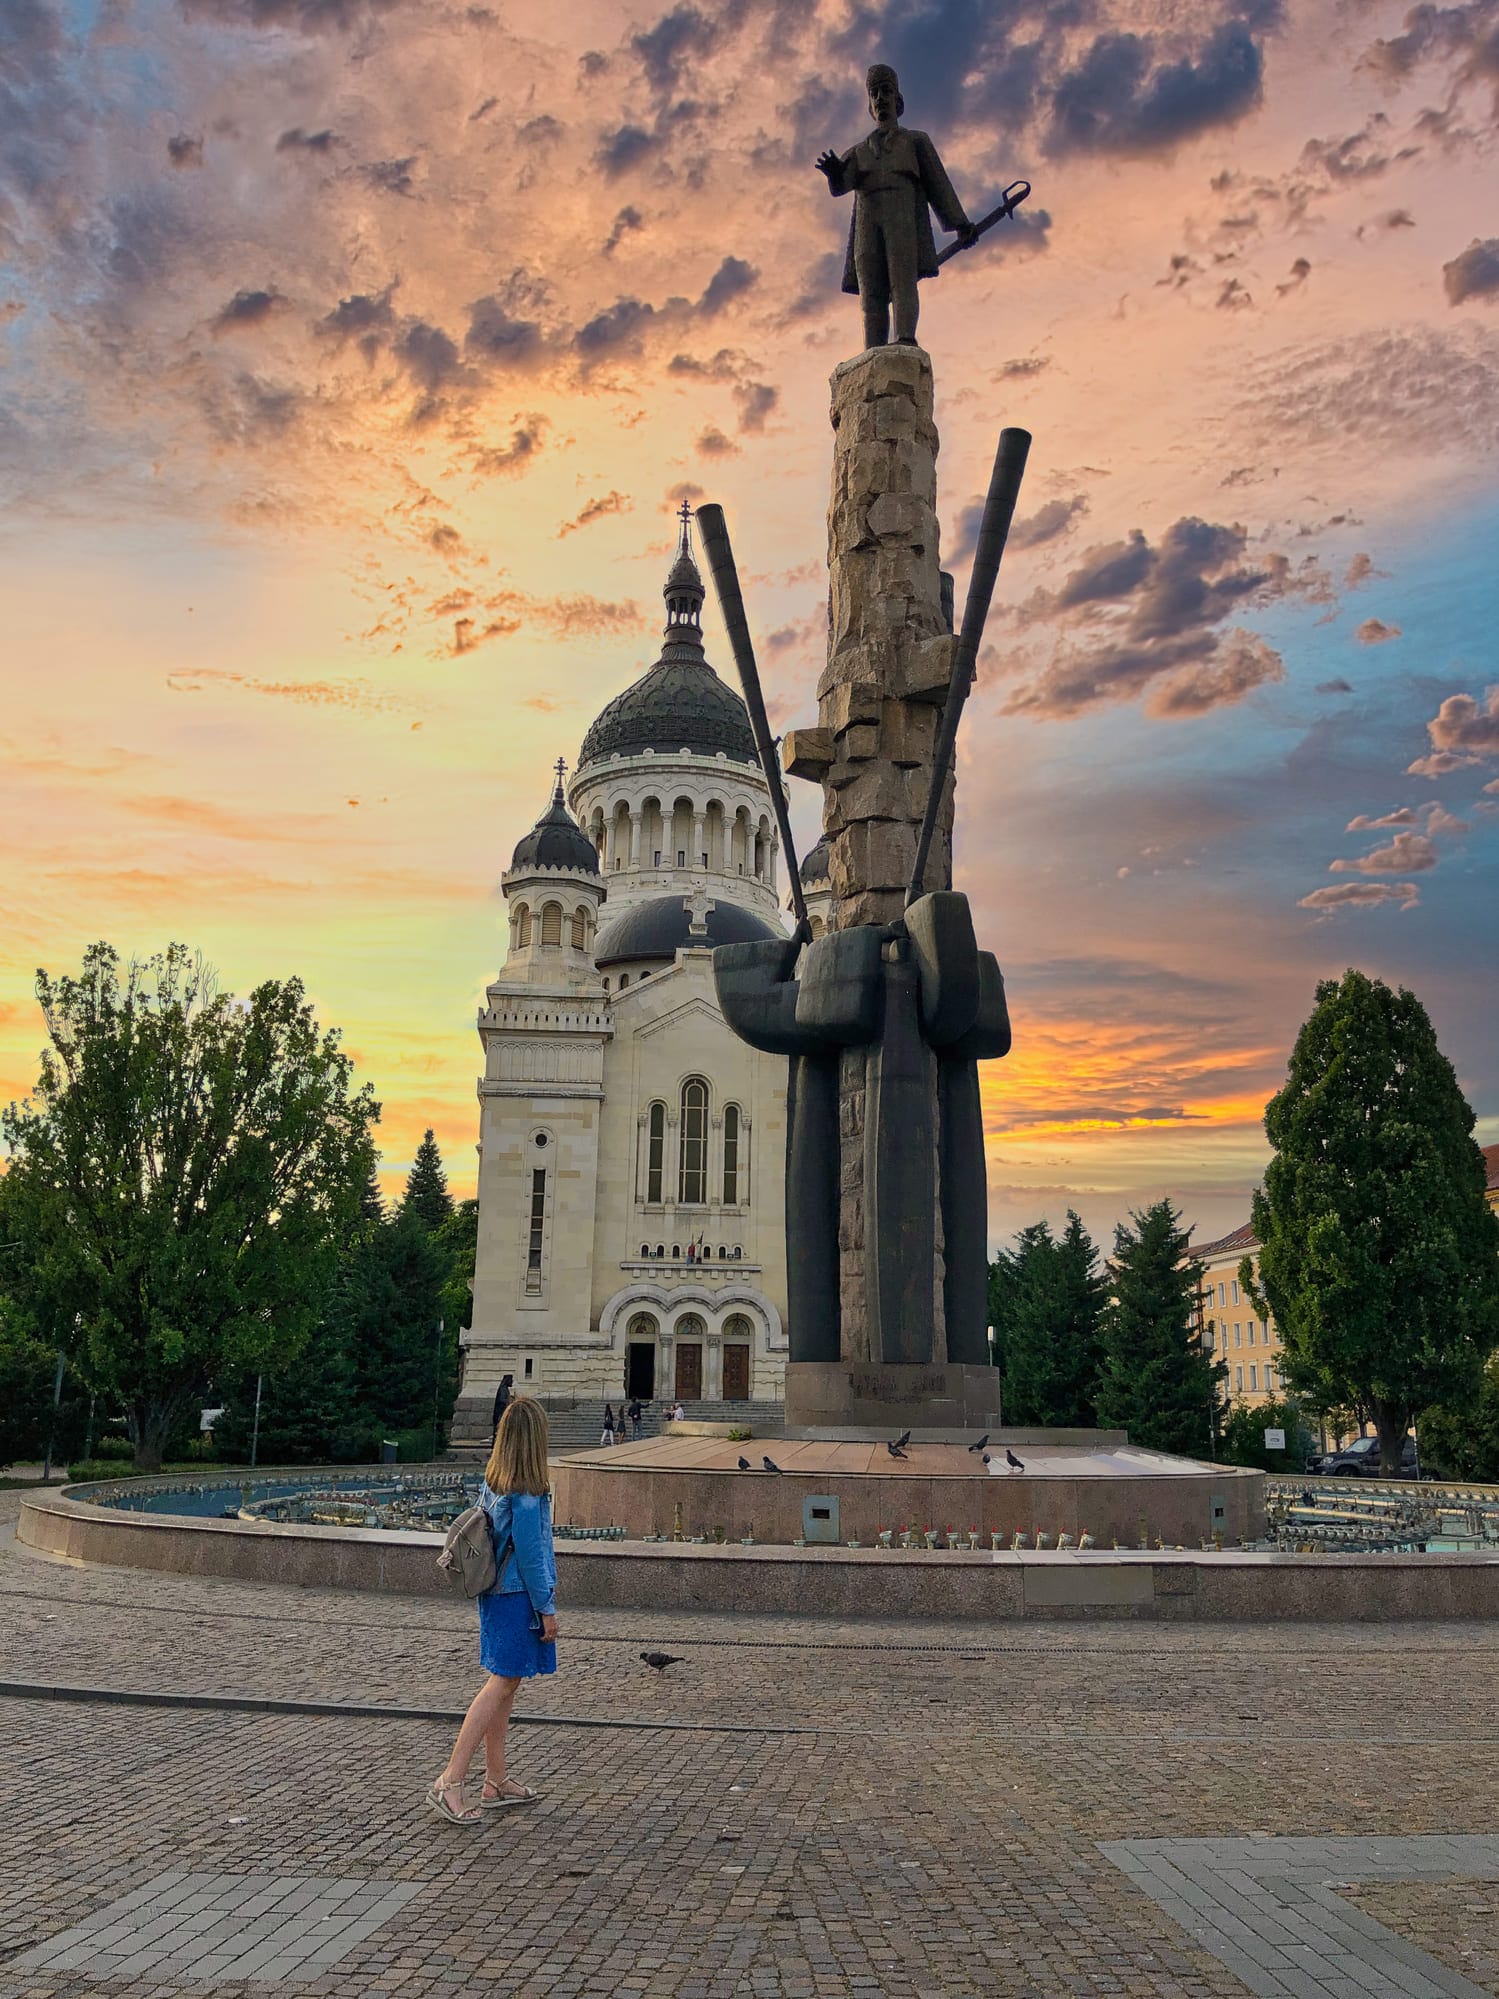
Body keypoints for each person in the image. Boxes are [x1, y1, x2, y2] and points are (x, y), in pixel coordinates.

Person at [427, 1396, 557, 1825]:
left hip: (492, 1592)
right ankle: (451, 1780)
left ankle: (496, 1780)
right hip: (516, 1596)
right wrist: (548, 1609)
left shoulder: (495, 1479)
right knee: (500, 1684)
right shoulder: (527, 1493)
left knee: (506, 1684)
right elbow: (533, 1557)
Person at [816, 63, 976, 350]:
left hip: (901, 215)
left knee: (902, 278)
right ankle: (873, 350)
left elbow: (938, 184)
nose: (880, 98)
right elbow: (842, 186)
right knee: (871, 290)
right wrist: (833, 174)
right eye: (874, 93)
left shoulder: (915, 142)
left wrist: (960, 224)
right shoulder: (859, 151)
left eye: (886, 92)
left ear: (897, 100)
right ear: (870, 104)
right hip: (868, 219)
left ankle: (904, 339)